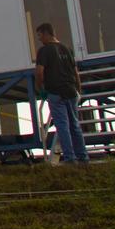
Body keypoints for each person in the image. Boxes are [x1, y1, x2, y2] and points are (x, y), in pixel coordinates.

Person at [34, 22, 89, 164]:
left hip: (55, 92)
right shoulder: (67, 49)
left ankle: (70, 158)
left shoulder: (44, 51)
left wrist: (40, 89)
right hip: (71, 91)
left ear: (46, 33)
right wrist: (78, 89)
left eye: (40, 35)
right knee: (75, 126)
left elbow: (40, 72)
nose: (39, 39)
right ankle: (83, 157)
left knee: (63, 127)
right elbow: (75, 72)